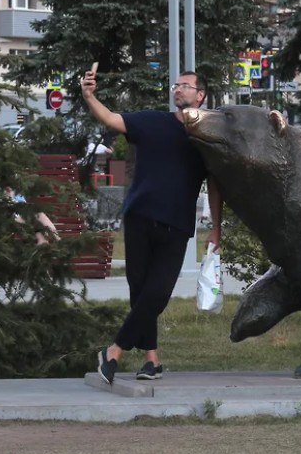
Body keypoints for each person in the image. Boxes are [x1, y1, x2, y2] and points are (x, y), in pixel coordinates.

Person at [81, 68, 222, 384]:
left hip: (176, 225)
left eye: (186, 86)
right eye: (176, 86)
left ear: (200, 95)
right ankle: (152, 361)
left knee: (156, 295)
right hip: (139, 217)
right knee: (140, 292)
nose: (178, 90)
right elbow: (111, 120)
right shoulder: (153, 121)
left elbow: (215, 184)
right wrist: (89, 96)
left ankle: (114, 351)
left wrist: (216, 228)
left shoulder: (207, 136)